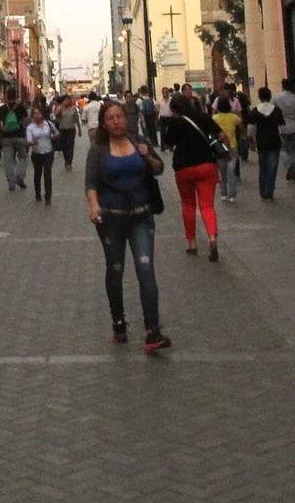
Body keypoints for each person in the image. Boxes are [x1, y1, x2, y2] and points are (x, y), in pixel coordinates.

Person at [82, 100, 169, 351]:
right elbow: (90, 183)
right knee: (115, 269)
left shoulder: (139, 141)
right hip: (111, 218)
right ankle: (118, 323)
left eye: (120, 116)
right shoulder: (98, 149)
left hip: (141, 216)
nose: (117, 121)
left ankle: (153, 330)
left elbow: (159, 168)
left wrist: (148, 157)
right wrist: (94, 206)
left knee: (146, 269)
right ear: (104, 123)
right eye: (111, 118)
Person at [161, 92, 223, 262]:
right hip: (206, 165)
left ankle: (192, 243)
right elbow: (222, 135)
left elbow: (167, 142)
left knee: (188, 204)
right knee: (207, 206)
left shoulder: (175, 123)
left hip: (183, 167)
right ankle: (212, 238)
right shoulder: (202, 117)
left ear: (175, 109)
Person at [249, 86, 284, 202]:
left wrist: (252, 142)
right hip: (274, 141)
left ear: (259, 97)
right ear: (270, 96)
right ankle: (269, 192)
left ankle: (262, 191)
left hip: (261, 142)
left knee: (262, 167)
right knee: (272, 168)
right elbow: (281, 126)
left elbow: (251, 128)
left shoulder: (255, 110)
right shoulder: (276, 110)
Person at [211, 95, 242, 204]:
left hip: (219, 148)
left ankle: (223, 193)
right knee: (231, 172)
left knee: (222, 172)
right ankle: (232, 195)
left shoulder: (215, 118)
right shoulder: (234, 118)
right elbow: (242, 128)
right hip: (232, 147)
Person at [275, 79, 295, 179]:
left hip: (282, 128)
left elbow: (272, 110)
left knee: (282, 148)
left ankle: (289, 165)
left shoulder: (276, 98)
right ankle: (294, 170)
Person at [24, 104, 57, 203]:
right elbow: (29, 141)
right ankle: (37, 193)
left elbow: (56, 132)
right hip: (37, 154)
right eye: (34, 114)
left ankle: (48, 196)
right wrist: (32, 143)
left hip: (48, 152)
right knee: (37, 174)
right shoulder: (30, 127)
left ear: (42, 114)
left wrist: (55, 136)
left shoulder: (48, 124)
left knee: (47, 173)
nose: (37, 115)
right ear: (32, 116)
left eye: (38, 113)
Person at [0, 97, 27, 194]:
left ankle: (11, 183)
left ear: (7, 96)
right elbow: (26, 121)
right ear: (16, 96)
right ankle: (20, 177)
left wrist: (0, 134)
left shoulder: (3, 108)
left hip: (6, 137)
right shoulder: (21, 107)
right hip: (20, 136)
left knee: (8, 161)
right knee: (22, 157)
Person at [54, 96, 80, 170]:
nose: (67, 101)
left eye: (68, 100)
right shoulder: (60, 108)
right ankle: (66, 160)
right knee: (64, 146)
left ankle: (69, 162)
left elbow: (76, 119)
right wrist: (61, 106)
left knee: (70, 146)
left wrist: (79, 129)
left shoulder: (73, 108)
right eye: (65, 100)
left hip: (71, 129)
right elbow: (56, 115)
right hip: (62, 129)